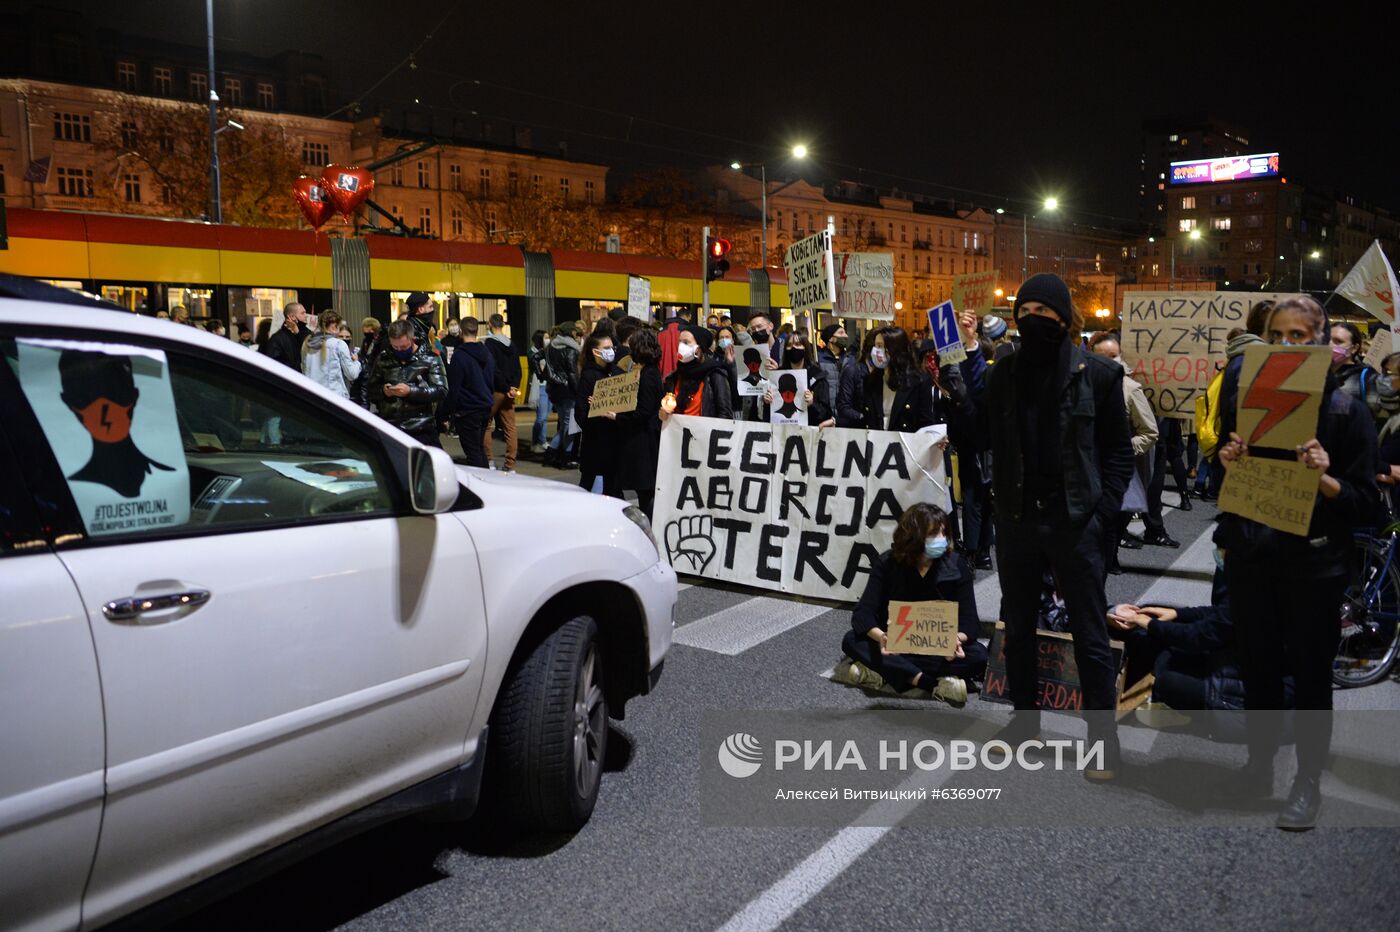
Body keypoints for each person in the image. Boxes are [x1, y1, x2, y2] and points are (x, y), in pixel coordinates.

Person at [1214, 295, 1383, 830]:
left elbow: (1367, 505)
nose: (1288, 346)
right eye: (1278, 336)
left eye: (1300, 337)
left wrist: (1326, 476)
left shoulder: (1346, 410)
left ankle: (1306, 781)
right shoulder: (1246, 399)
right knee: (1259, 667)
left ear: (1321, 344)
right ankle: (1259, 764)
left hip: (1313, 567)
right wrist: (1227, 459)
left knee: (1310, 677)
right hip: (1253, 556)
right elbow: (1219, 482)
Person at [977, 273, 1133, 778]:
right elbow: (980, 435)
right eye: (1025, 314)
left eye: (1044, 313)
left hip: (1075, 521)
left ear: (1064, 319)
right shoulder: (1004, 373)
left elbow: (1117, 454)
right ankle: (1024, 725)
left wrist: (1101, 513)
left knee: (1090, 632)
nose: (1033, 321)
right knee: (1019, 627)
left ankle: (1102, 740)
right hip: (1019, 518)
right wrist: (958, 382)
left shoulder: (1101, 375)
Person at [834, 503, 987, 705]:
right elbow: (863, 614)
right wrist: (882, 637)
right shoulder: (888, 563)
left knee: (979, 655)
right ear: (913, 537)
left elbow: (970, 622)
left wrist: (955, 640)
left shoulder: (956, 566)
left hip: (939, 649)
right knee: (851, 640)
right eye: (934, 534)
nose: (941, 540)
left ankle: (886, 672)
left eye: (944, 533)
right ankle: (929, 682)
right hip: (895, 645)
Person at [1089, 331, 1159, 576]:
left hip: (1115, 471)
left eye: (1114, 356)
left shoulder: (1129, 388)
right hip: (1085, 471)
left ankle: (1110, 558)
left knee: (1113, 520)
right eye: (1102, 357)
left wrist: (1122, 448)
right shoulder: (1079, 385)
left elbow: (1150, 432)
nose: (1109, 362)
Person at [367, 319, 447, 447]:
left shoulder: (431, 358)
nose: (399, 350)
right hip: (390, 427)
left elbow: (441, 390)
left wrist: (411, 391)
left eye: (404, 347)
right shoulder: (383, 358)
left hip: (422, 428)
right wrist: (383, 391)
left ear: (412, 339)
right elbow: (370, 389)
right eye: (395, 347)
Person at [615, 328, 665, 518]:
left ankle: (650, 528)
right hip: (646, 437)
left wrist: (618, 417)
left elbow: (643, 412)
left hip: (644, 440)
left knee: (645, 490)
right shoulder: (649, 371)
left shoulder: (648, 375)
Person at [575, 329, 623, 494]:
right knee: (588, 485)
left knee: (613, 487)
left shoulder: (617, 372)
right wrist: (596, 410)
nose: (611, 351)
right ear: (596, 351)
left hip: (615, 441)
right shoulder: (589, 376)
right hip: (595, 442)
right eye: (607, 347)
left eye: (612, 347)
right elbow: (580, 412)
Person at [445, 318, 495, 466]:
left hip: (467, 410)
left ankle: (480, 484)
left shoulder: (459, 356)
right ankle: (486, 479)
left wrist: (446, 413)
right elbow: (491, 381)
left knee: (473, 452)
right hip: (485, 407)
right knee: (479, 448)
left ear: (461, 331)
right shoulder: (487, 354)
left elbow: (454, 388)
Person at [659, 326, 733, 422]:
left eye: (686, 342)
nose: (681, 346)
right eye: (680, 342)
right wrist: (664, 414)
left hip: (704, 434)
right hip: (678, 434)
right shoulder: (674, 377)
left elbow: (725, 415)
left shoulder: (714, 374)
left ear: (699, 349)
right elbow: (667, 410)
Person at [482, 314, 522, 473]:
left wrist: (505, 387)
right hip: (510, 391)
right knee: (510, 428)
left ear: (490, 324)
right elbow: (517, 369)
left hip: (496, 391)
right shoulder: (512, 344)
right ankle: (510, 465)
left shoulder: (489, 344)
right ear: (503, 324)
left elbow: (493, 369)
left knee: (486, 425)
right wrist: (513, 387)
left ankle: (489, 461)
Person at [544, 321, 584, 468]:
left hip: (555, 390)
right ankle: (563, 457)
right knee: (570, 428)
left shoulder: (551, 346)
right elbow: (573, 374)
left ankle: (552, 455)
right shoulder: (571, 349)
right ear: (570, 333)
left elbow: (538, 359)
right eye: (575, 332)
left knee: (564, 426)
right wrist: (578, 392)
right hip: (568, 392)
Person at [1328, 321, 1383, 423]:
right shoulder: (1316, 372)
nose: (1330, 345)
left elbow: (1371, 415)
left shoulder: (1367, 376)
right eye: (1327, 340)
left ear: (1354, 348)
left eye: (1338, 341)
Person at [301, 309, 361, 398]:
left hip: (311, 396)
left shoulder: (307, 343)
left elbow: (304, 370)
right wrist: (356, 362)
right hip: (334, 398)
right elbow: (352, 374)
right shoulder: (338, 344)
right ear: (334, 327)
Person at [259, 302, 309, 371]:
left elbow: (311, 347)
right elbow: (273, 362)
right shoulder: (277, 338)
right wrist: (296, 367)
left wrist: (298, 334)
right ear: (292, 317)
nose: (306, 316)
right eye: (302, 313)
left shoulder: (305, 332)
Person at [815, 323, 851, 416]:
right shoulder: (818, 359)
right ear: (831, 338)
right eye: (841, 333)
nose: (846, 336)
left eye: (845, 333)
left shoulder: (850, 359)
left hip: (845, 415)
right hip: (825, 413)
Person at [528, 329, 552, 454]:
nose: (548, 339)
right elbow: (538, 369)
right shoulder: (532, 352)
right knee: (541, 417)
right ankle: (534, 442)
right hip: (539, 386)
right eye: (546, 337)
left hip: (549, 385)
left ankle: (542, 441)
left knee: (545, 417)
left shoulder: (548, 351)